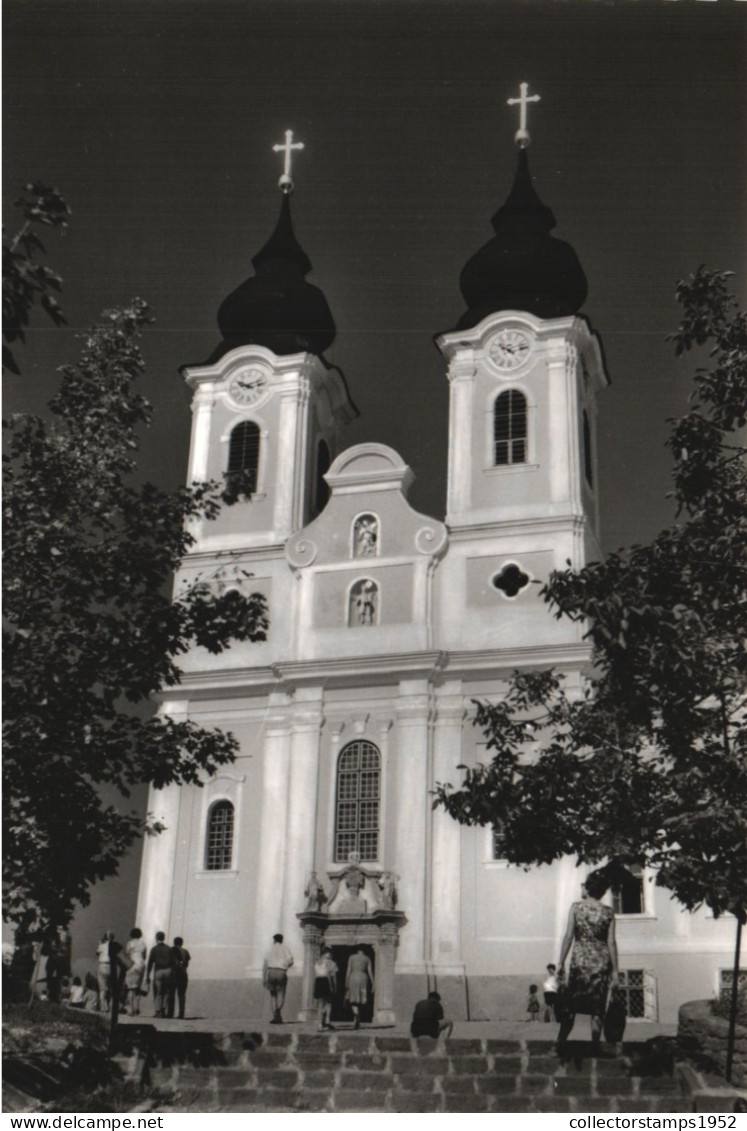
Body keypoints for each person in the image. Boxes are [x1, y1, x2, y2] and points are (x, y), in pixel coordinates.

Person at [557, 868, 619, 1045]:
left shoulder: (576, 908)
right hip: (601, 963)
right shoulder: (608, 912)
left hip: (580, 962)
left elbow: (568, 936)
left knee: (571, 1006)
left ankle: (560, 1042)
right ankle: (594, 1045)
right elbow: (612, 942)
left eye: (583, 885)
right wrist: (615, 970)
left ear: (588, 889)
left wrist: (560, 962)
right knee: (598, 1009)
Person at [262, 933, 294, 1024]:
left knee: (273, 995)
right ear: (282, 940)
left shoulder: (269, 949)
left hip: (271, 972)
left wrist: (264, 978)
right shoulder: (285, 948)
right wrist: (286, 966)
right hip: (281, 972)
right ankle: (277, 1012)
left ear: (274, 940)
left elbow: (265, 965)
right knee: (281, 994)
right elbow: (291, 961)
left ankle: (275, 1016)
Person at [145, 931, 174, 1018]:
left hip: (158, 971)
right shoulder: (169, 948)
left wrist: (147, 975)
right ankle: (163, 1009)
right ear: (164, 938)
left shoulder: (154, 949)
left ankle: (158, 1011)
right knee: (167, 992)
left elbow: (150, 962)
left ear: (156, 938)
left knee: (158, 992)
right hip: (168, 971)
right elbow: (173, 961)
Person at [345, 946, 373, 1030]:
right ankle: (357, 1018)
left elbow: (349, 969)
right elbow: (370, 971)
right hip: (363, 977)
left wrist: (346, 981)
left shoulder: (352, 957)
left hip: (353, 976)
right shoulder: (367, 958)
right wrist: (373, 983)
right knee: (361, 998)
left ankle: (356, 1015)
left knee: (353, 998)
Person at [313, 947, 338, 1032]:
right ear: (327, 954)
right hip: (326, 982)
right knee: (329, 1002)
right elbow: (332, 976)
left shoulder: (316, 962)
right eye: (330, 954)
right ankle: (327, 1020)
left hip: (318, 981)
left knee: (320, 1004)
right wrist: (333, 986)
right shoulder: (331, 963)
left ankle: (319, 1024)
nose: (331, 955)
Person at [124, 927, 147, 1016]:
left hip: (132, 964)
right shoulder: (143, 943)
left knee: (130, 988)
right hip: (141, 964)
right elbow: (144, 956)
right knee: (137, 988)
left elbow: (126, 953)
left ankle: (131, 1009)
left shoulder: (130, 943)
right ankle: (137, 1007)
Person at [167, 937, 191, 1019]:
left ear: (174, 942)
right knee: (182, 995)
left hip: (174, 974)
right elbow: (187, 964)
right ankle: (181, 1013)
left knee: (171, 994)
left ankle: (170, 1013)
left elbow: (170, 962)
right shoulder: (186, 952)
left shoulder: (171, 950)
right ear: (182, 943)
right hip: (183, 974)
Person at [96, 931, 114, 1011]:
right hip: (110, 966)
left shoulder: (102, 945)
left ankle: (103, 1007)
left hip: (102, 965)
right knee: (110, 988)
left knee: (103, 989)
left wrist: (100, 943)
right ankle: (110, 1006)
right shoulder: (114, 946)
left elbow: (97, 953)